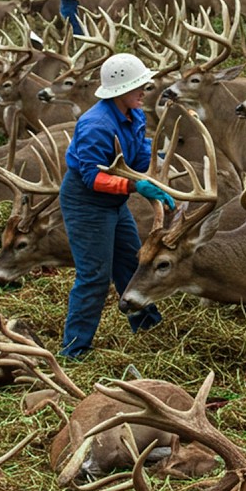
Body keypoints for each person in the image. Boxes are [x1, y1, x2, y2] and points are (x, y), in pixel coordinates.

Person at [59, 52, 176, 359]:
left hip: (114, 201)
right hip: (87, 202)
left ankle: (149, 329)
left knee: (129, 262)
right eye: (139, 86)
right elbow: (91, 176)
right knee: (94, 275)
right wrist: (136, 185)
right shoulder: (95, 125)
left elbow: (138, 155)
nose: (145, 90)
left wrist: (160, 171)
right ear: (121, 90)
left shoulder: (133, 114)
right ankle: (75, 350)